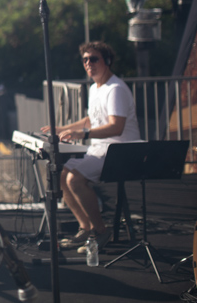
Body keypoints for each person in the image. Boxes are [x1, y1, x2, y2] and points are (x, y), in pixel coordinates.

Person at [41, 41, 140, 253]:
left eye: (94, 59)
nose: (89, 64)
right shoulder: (96, 88)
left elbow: (116, 127)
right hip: (102, 150)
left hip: (121, 152)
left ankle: (101, 231)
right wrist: (62, 129)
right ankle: (86, 228)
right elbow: (92, 119)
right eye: (85, 60)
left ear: (108, 61)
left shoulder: (115, 89)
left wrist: (83, 134)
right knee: (61, 175)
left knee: (74, 179)